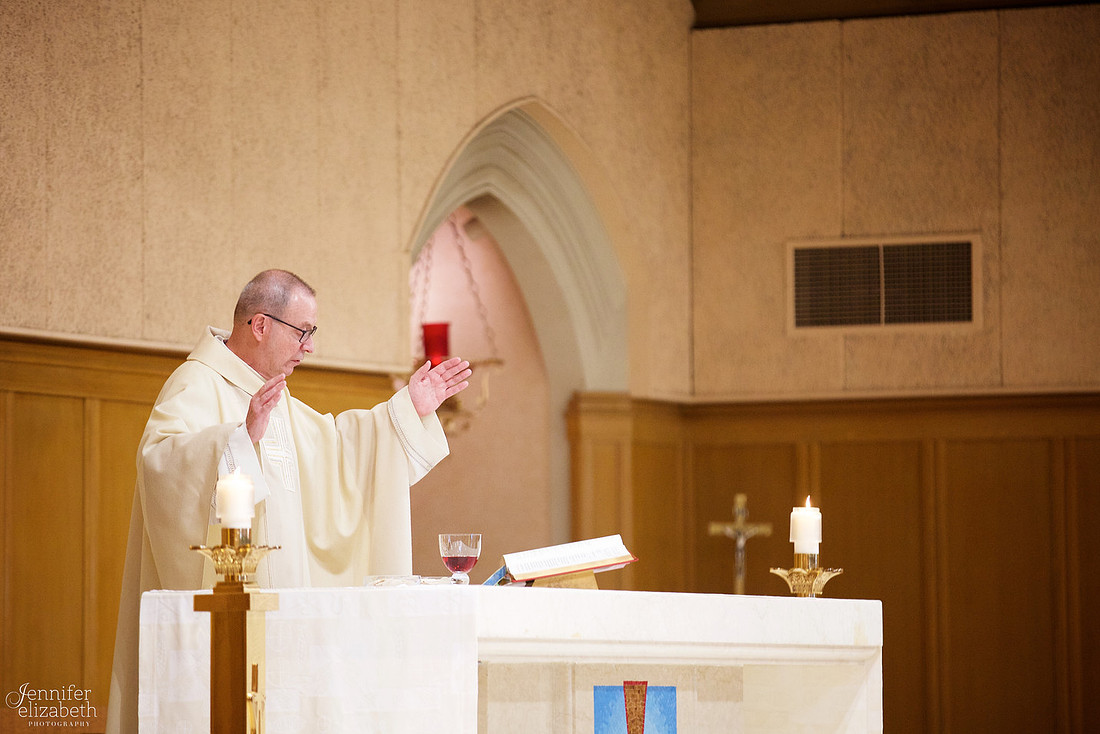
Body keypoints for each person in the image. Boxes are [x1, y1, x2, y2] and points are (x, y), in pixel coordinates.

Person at [104, 269, 470, 734]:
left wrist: (407, 410)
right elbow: (160, 466)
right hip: (223, 634)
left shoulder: (279, 402)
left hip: (286, 635)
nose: (310, 346)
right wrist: (237, 440)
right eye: (303, 331)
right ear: (260, 325)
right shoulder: (197, 384)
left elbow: (340, 451)